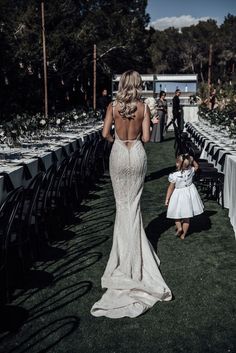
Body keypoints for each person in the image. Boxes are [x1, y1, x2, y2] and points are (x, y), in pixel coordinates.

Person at [91, 70, 172, 319]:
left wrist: (118, 138)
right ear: (137, 85)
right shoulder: (143, 108)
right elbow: (147, 137)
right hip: (136, 153)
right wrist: (135, 139)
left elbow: (105, 134)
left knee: (121, 205)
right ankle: (135, 259)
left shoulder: (113, 106)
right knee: (133, 206)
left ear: (121, 85)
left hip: (118, 153)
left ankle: (122, 259)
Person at [165, 154, 204, 240]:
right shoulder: (191, 170)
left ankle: (179, 228)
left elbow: (170, 188)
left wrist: (167, 199)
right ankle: (183, 235)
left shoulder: (174, 175)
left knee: (176, 213)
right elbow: (197, 166)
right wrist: (192, 159)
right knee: (187, 217)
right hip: (189, 193)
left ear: (177, 164)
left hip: (178, 194)